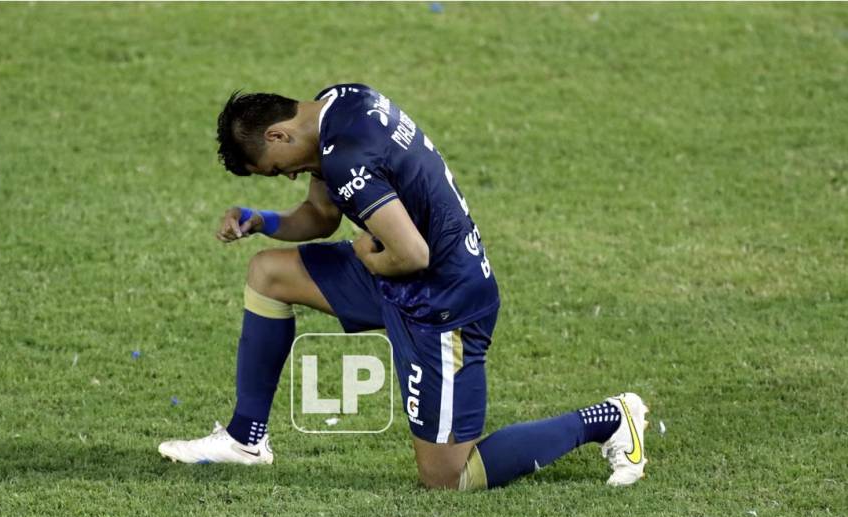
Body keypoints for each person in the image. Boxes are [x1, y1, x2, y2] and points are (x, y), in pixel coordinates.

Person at [157, 83, 650, 489]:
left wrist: (371, 262)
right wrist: (261, 220)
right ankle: (246, 440)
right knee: (268, 274)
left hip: (443, 302)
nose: (286, 178)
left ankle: (610, 418)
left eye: (277, 169)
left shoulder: (345, 157)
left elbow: (412, 255)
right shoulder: (340, 101)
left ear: (280, 134)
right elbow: (321, 217)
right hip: (403, 275)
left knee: (448, 478)